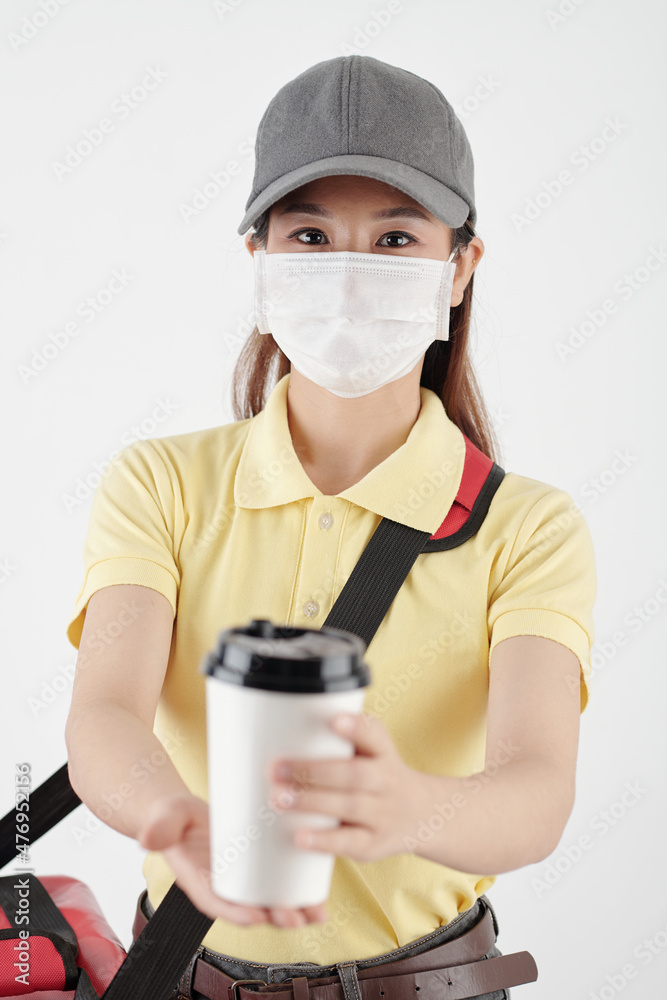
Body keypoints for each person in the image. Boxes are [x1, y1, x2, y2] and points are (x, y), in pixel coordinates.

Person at [64, 55, 596, 999]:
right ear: (259, 261)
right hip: (179, 978)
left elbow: (537, 793)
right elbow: (104, 713)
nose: (348, 272)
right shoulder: (160, 483)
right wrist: (172, 816)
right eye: (309, 234)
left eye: (395, 239)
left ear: (461, 265)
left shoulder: (529, 528)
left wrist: (409, 810)